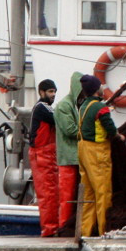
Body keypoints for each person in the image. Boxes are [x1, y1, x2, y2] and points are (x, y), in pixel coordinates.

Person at [77, 74, 123, 236]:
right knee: (103, 192)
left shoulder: (83, 106)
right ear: (97, 90)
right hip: (97, 152)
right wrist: (119, 136)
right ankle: (105, 230)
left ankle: (85, 231)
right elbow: (109, 127)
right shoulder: (100, 107)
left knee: (88, 193)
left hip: (82, 149)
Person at [27, 78, 60, 237]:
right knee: (47, 194)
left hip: (45, 154)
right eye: (50, 92)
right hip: (42, 155)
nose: (53, 95)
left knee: (51, 193)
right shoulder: (42, 107)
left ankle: (51, 227)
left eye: (54, 92)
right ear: (42, 92)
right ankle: (49, 229)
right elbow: (59, 120)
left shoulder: (43, 108)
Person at [53, 71, 83, 231]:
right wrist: (91, 131)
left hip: (77, 158)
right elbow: (70, 130)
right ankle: (63, 227)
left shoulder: (75, 105)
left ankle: (71, 227)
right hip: (68, 159)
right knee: (66, 197)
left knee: (74, 197)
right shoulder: (65, 106)